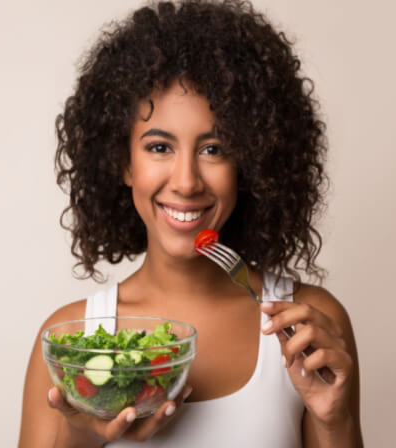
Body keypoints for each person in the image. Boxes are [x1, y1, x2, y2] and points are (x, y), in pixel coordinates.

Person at [18, 1, 362, 447]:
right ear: (123, 164)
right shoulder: (72, 345)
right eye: (159, 147)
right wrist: (80, 435)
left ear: (250, 162)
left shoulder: (310, 328)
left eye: (214, 149)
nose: (185, 182)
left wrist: (333, 419)